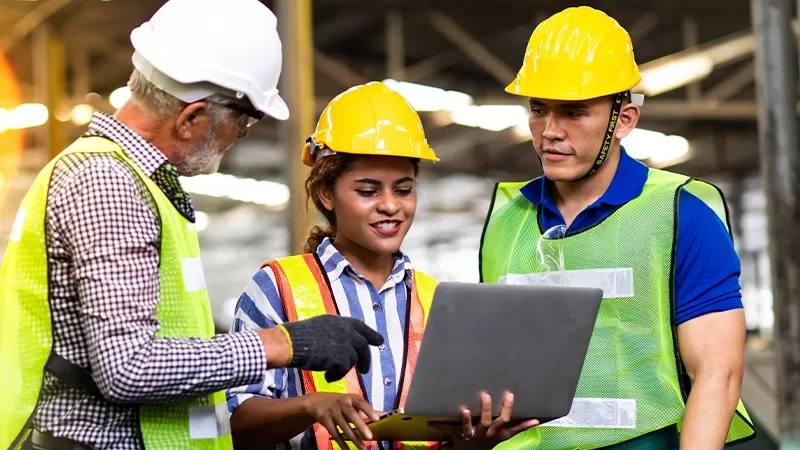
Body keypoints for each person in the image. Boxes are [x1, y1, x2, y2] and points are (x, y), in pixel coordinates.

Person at [0, 1, 385, 449]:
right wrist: (282, 344)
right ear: (191, 119)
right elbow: (129, 367)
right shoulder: (107, 184)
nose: (238, 136)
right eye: (242, 122)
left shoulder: (138, 182)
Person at [479, 6, 756, 450]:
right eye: (538, 110)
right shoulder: (506, 221)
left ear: (623, 119)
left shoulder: (680, 213)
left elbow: (717, 372)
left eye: (573, 112)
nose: (550, 131)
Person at [226, 81, 539, 450]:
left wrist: (477, 441)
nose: (391, 206)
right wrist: (311, 406)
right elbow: (240, 422)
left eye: (404, 190)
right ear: (326, 194)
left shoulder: (437, 300)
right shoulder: (276, 287)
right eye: (368, 191)